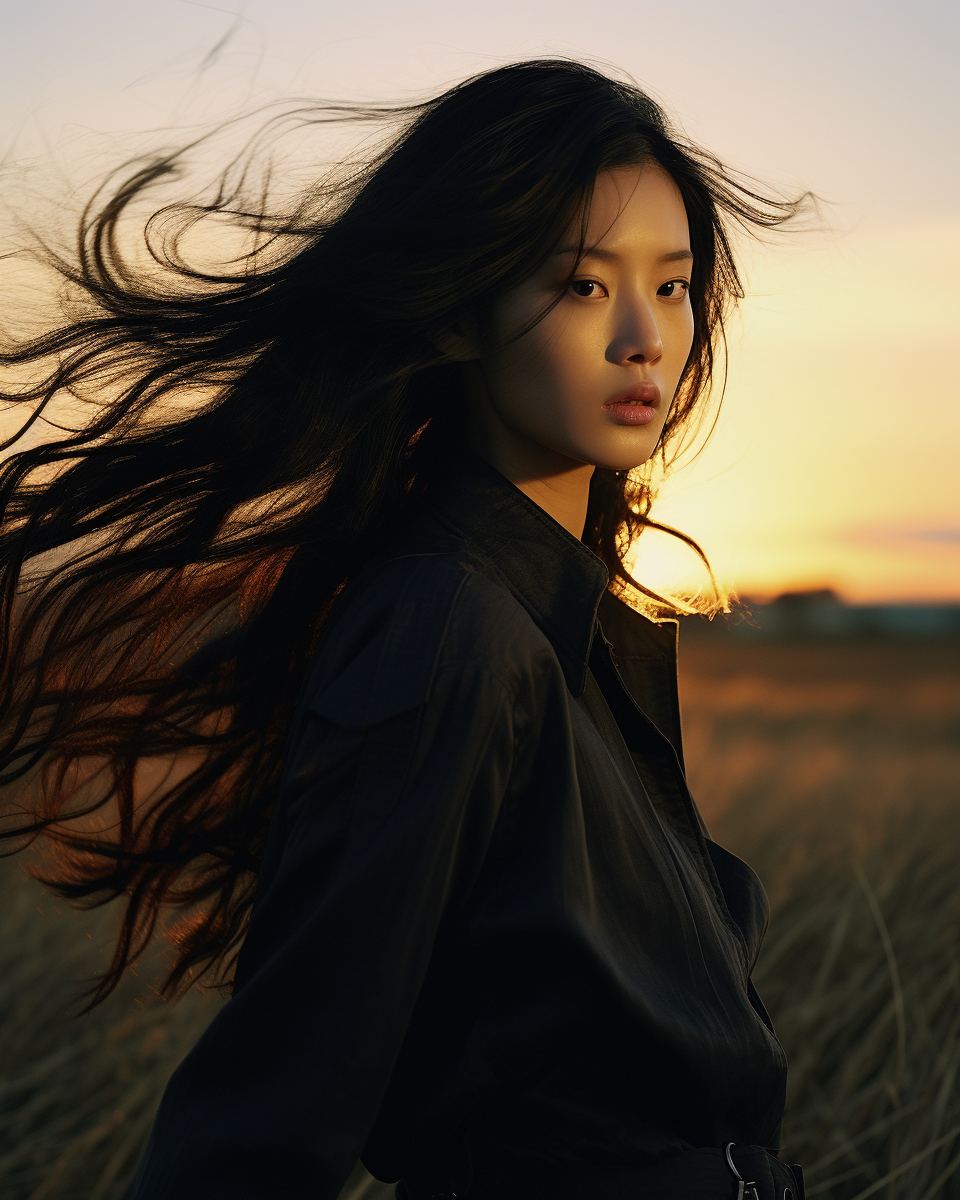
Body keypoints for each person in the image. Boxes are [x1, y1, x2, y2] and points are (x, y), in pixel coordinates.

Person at [0, 60, 810, 1199]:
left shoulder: (562, 627)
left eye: (672, 286)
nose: (646, 338)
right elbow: (265, 1124)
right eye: (584, 285)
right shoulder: (446, 628)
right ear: (458, 307)